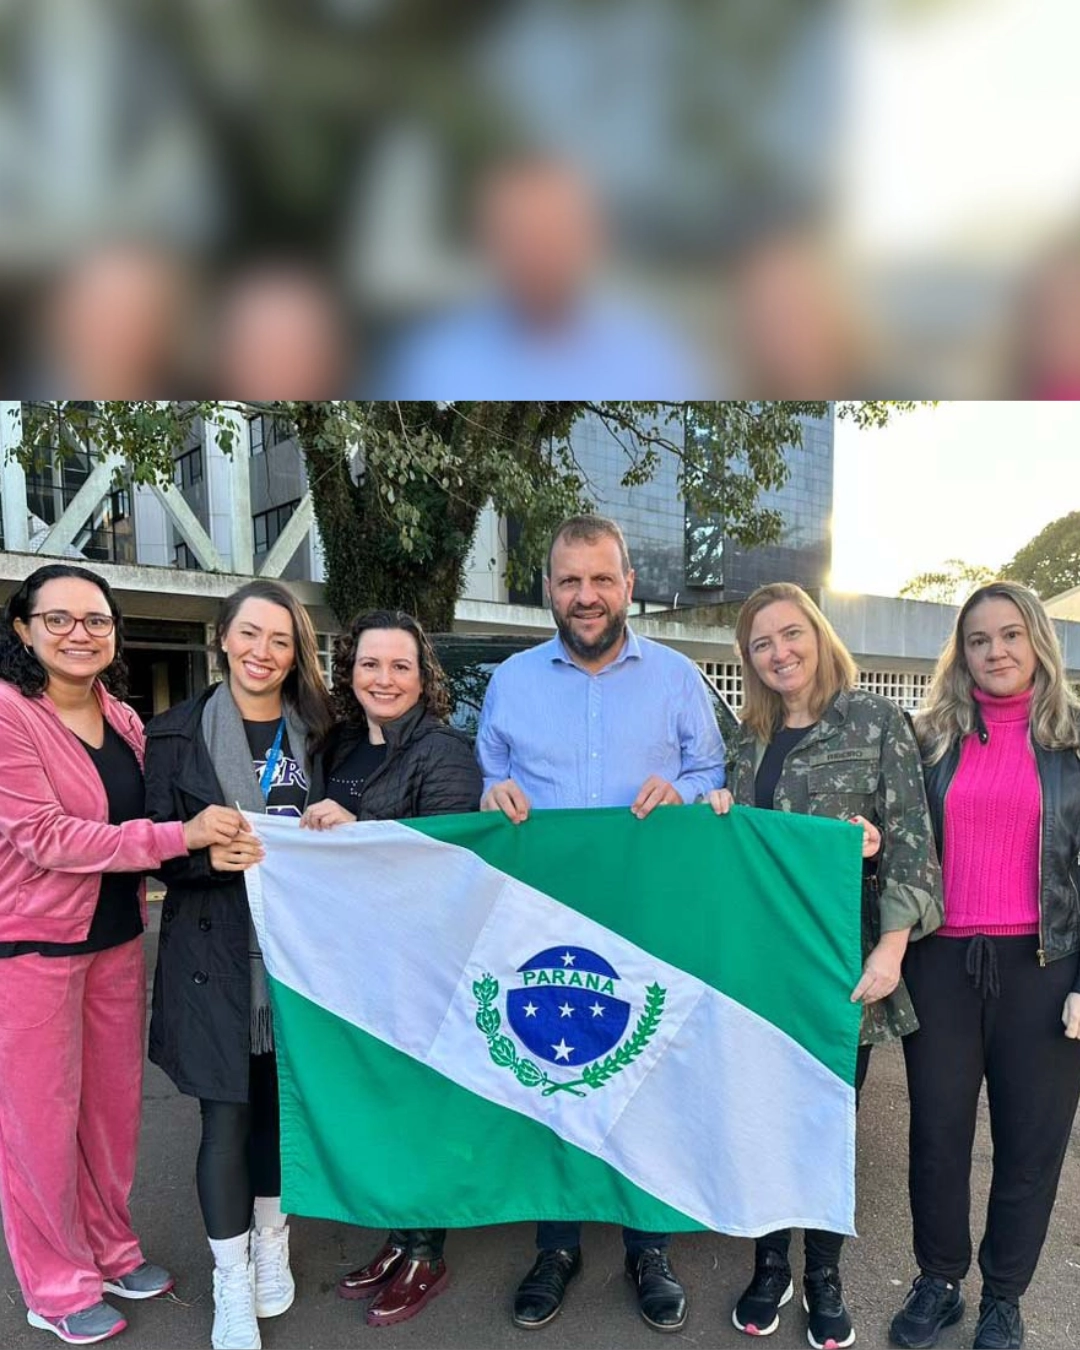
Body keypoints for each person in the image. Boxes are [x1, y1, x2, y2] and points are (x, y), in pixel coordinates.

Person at [476, 513, 725, 1333]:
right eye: (570, 580)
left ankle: (649, 1246)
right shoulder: (511, 681)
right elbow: (492, 776)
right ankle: (556, 1243)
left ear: (628, 587)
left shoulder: (680, 677)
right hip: (542, 919)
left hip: (649, 917)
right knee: (553, 1072)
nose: (586, 596)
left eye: (602, 579)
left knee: (646, 1075)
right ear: (548, 589)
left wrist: (683, 792)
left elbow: (710, 771)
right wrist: (491, 795)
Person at [0, 564, 246, 1346]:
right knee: (38, 1123)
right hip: (32, 947)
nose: (80, 634)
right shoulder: (9, 717)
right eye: (61, 619)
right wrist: (183, 837)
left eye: (96, 620)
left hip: (114, 941)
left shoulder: (126, 719)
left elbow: (165, 802)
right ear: (23, 630)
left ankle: (109, 1249)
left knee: (109, 1115)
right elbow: (45, 837)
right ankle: (55, 1282)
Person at [709, 582, 941, 1350]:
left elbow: (912, 841)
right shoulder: (746, 740)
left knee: (825, 1121)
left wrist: (893, 944)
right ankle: (769, 1264)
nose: (780, 653)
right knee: (762, 1120)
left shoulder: (876, 721)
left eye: (790, 634)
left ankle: (823, 1275)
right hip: (761, 964)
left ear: (818, 633)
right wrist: (713, 816)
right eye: (761, 644)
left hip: (844, 966)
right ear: (748, 660)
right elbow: (735, 854)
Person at [888, 582, 1080, 1350]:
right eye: (977, 640)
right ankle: (939, 1280)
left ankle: (1004, 1295)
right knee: (936, 1135)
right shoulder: (928, 738)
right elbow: (896, 840)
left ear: (1037, 641)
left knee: (1031, 1141)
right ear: (959, 653)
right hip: (941, 962)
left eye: (1009, 635)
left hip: (1045, 968)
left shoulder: (1073, 745)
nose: (995, 651)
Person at [144, 580, 333, 1350]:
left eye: (280, 640)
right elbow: (155, 844)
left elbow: (349, 831)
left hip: (297, 956)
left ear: (297, 653)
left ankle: (271, 1241)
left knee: (279, 1109)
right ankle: (230, 1280)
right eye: (249, 634)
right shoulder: (173, 734)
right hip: (213, 956)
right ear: (222, 637)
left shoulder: (318, 732)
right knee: (225, 1116)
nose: (263, 652)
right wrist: (203, 853)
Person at [299, 609, 482, 1326]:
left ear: (422, 675)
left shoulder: (444, 751)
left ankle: (426, 1253)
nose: (384, 678)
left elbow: (447, 858)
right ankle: (397, 1235)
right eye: (369, 664)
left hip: (419, 960)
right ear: (350, 672)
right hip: (350, 958)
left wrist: (360, 831)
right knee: (378, 1100)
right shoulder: (338, 744)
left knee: (417, 1105)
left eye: (400, 665)